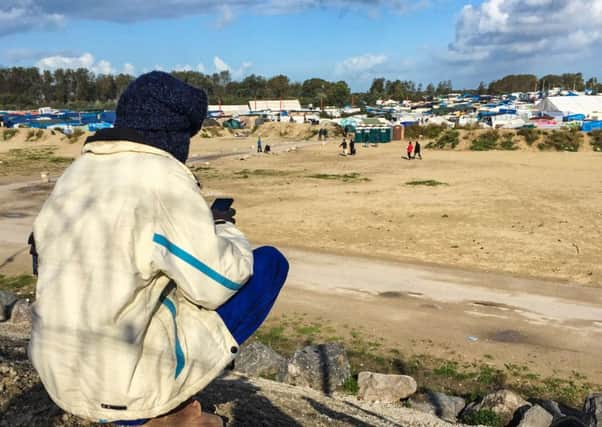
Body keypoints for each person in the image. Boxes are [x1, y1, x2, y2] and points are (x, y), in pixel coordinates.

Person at [28, 71, 289, 426]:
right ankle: (158, 411)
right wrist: (224, 228)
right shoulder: (159, 177)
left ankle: (161, 402)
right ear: (177, 134)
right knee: (269, 265)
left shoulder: (78, 171)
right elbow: (218, 283)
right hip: (118, 389)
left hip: (60, 377)